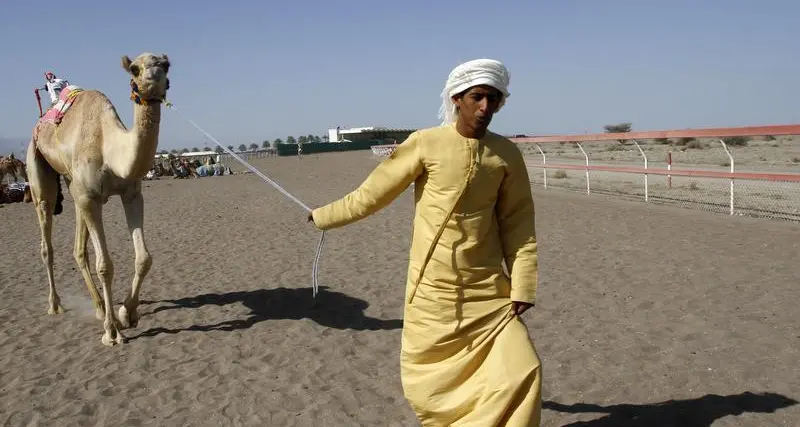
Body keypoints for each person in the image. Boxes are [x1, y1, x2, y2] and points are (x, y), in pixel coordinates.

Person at [307, 58, 543, 426]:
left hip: (489, 291)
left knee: (522, 369)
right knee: (436, 386)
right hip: (434, 291)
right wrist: (322, 216)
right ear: (457, 99)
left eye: (493, 99)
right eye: (477, 97)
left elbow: (518, 224)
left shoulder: (507, 154)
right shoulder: (425, 143)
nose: (485, 108)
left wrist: (523, 285)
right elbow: (370, 196)